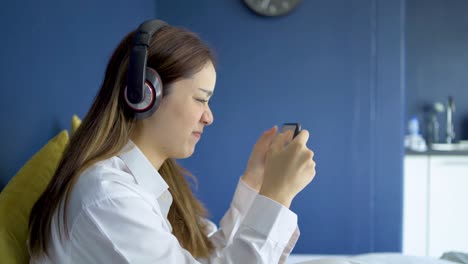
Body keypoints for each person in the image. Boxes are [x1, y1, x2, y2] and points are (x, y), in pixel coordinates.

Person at [27, 19, 316, 263]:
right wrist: (277, 196)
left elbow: (207, 256)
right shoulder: (108, 199)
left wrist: (255, 181)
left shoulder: (145, 186)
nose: (209, 117)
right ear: (143, 95)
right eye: (200, 99)